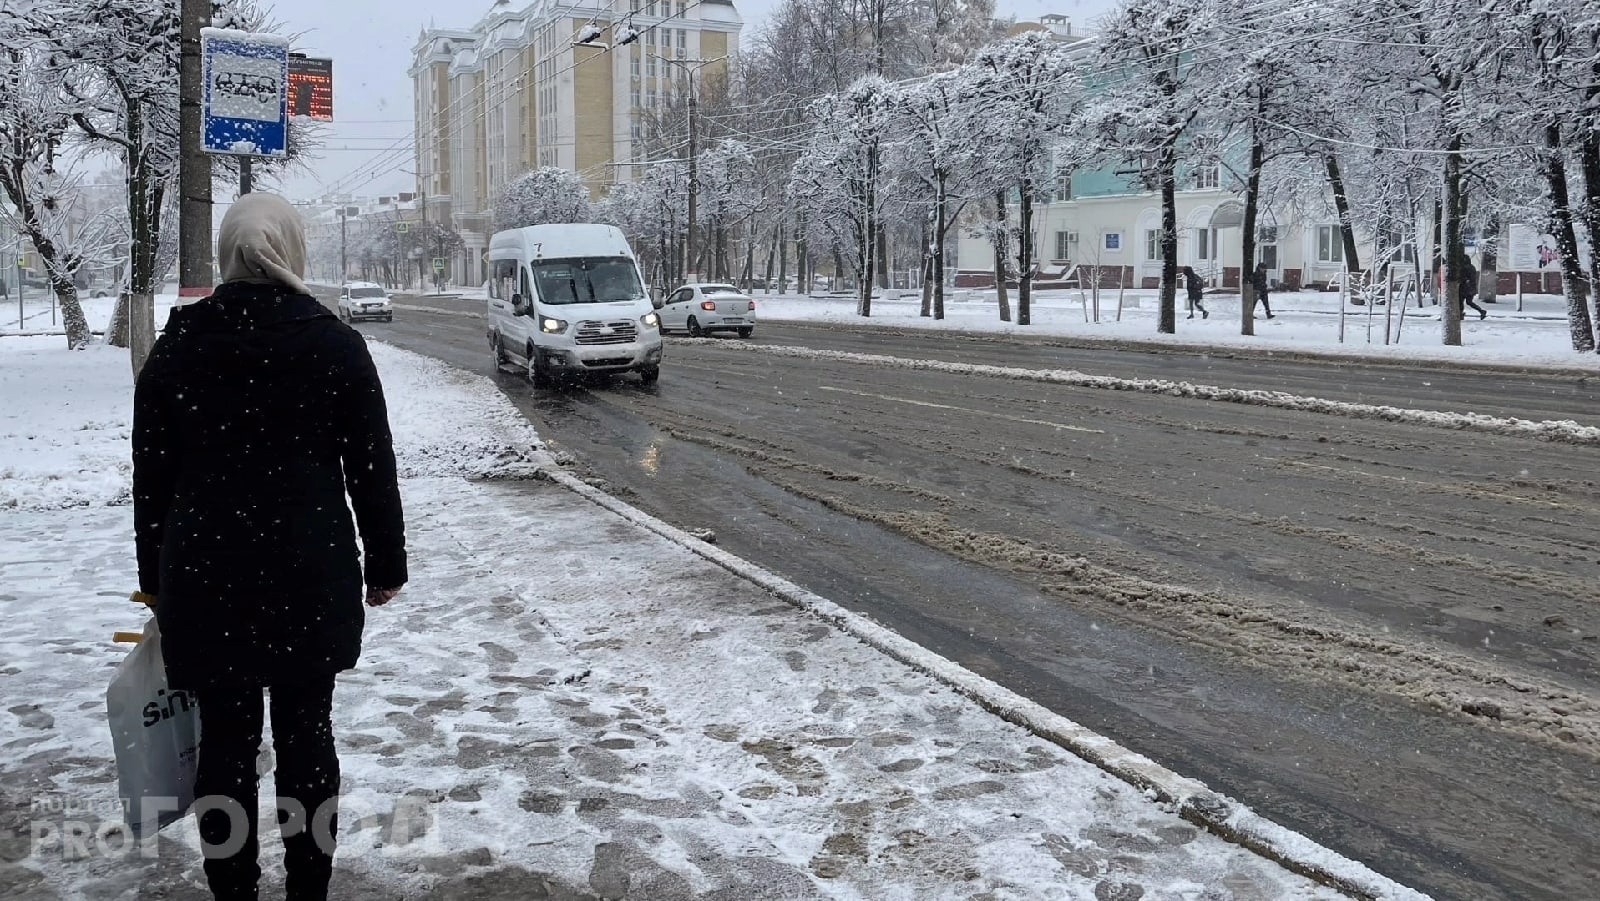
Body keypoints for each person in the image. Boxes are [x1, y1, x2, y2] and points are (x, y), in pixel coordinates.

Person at [132, 193, 407, 901]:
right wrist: (385, 566)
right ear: (291, 248)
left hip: (205, 577)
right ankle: (308, 889)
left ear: (228, 251)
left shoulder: (179, 347)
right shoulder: (334, 344)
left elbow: (152, 479)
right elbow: (371, 470)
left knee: (223, 743)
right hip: (307, 578)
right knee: (307, 735)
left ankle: (234, 891)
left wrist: (155, 581)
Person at [1459, 255, 1487, 320]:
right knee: (1468, 302)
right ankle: (1481, 311)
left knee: (1460, 301)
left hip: (1465, 288)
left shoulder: (1464, 268)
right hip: (1471, 288)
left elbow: (1463, 277)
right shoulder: (1472, 267)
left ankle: (1460, 313)